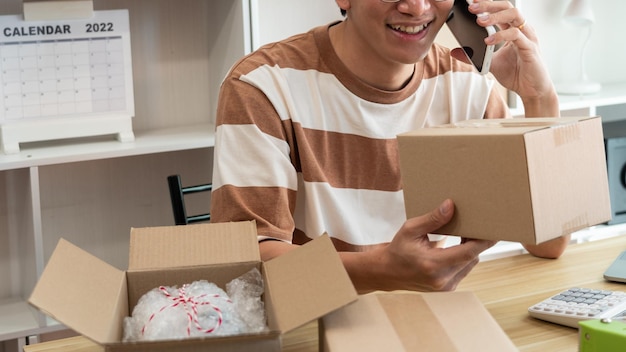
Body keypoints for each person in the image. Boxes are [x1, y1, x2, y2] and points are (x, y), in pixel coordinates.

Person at [210, 0, 570, 294]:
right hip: (313, 324)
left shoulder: (466, 88)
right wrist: (380, 271)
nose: (416, 7)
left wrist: (539, 99)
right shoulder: (262, 86)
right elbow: (246, 269)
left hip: (423, 323)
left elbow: (548, 244)